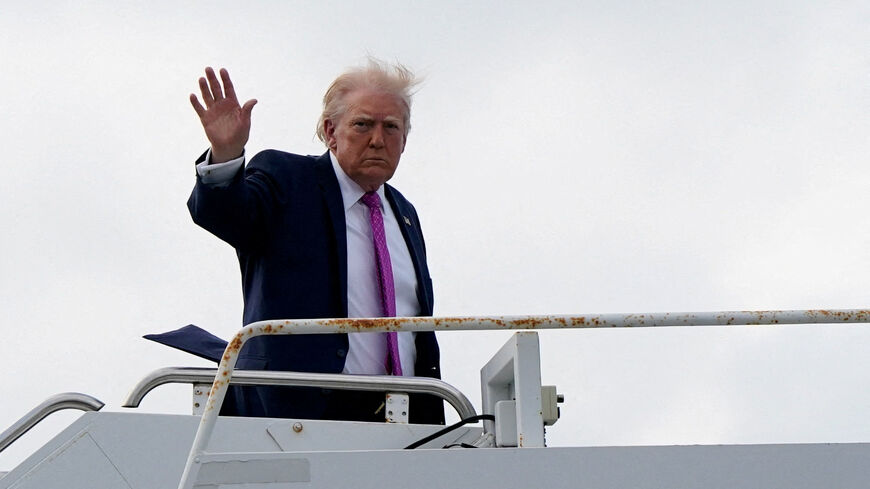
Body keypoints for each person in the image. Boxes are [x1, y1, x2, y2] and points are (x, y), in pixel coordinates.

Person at [185, 61, 443, 424]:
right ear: (330, 131)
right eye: (363, 124)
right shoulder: (288, 178)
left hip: (402, 416)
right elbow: (225, 214)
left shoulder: (404, 213)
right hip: (299, 412)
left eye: (391, 127)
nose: (377, 139)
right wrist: (226, 155)